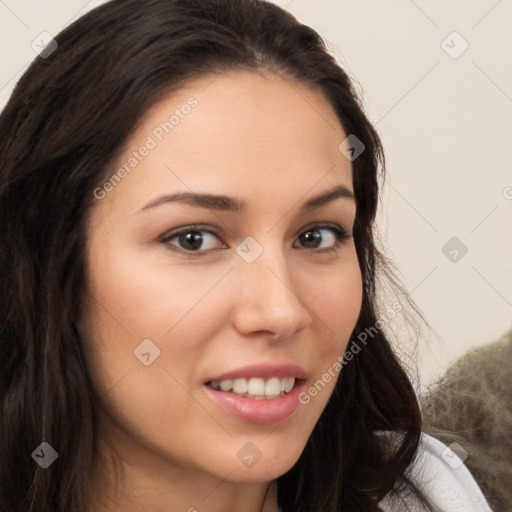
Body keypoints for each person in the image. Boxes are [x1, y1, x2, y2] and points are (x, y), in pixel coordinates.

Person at [0, 1, 493, 511]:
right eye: (193, 239)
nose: (280, 311)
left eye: (317, 235)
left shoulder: (429, 496)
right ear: (50, 264)